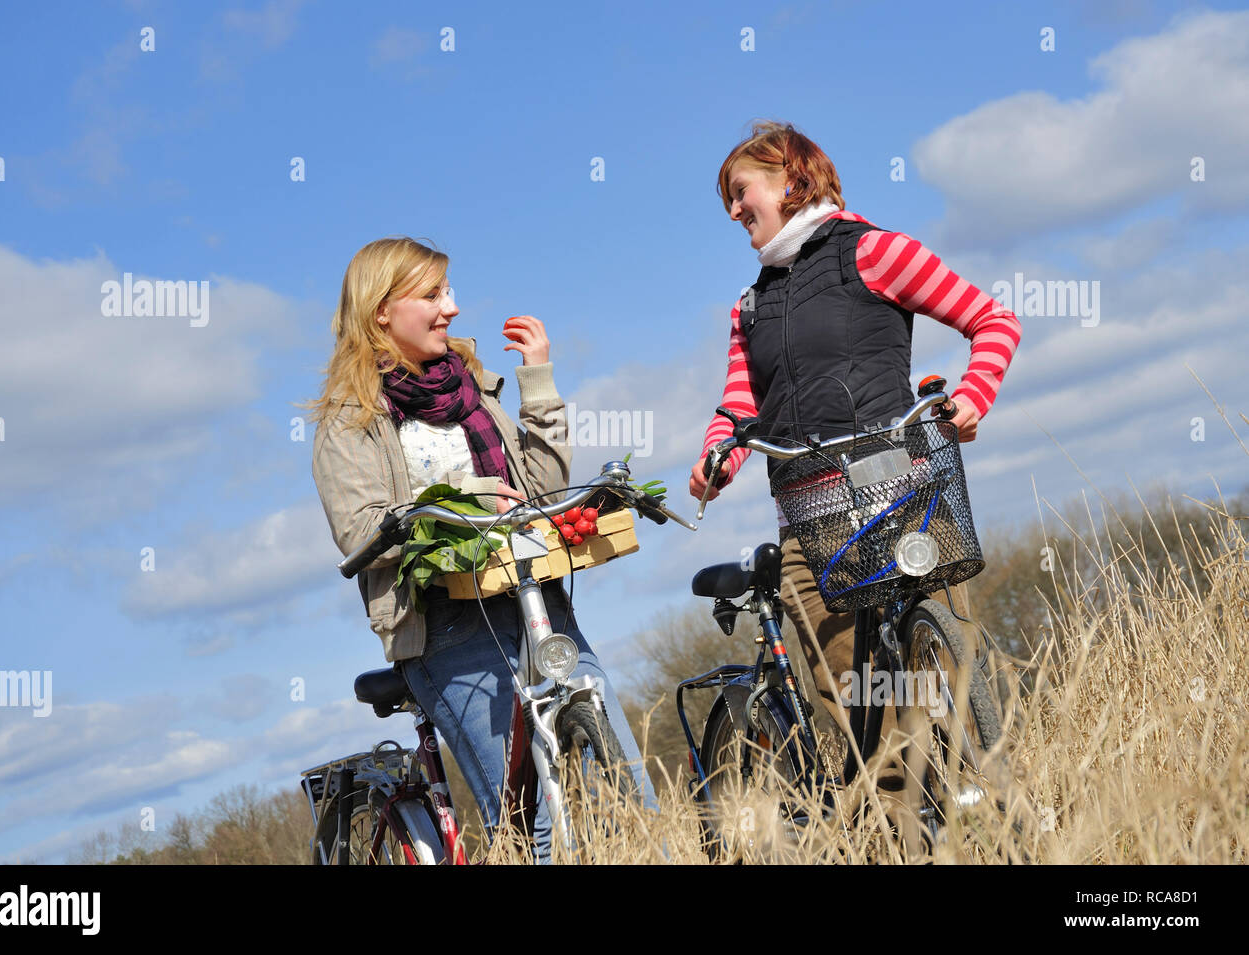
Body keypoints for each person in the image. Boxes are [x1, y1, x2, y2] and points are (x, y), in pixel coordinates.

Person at [688, 121, 1022, 793]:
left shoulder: (877, 252)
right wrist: (716, 456)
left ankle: (981, 821)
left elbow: (992, 320)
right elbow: (737, 407)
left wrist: (972, 398)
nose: (731, 211)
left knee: (941, 696)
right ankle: (896, 833)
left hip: (902, 499)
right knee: (862, 712)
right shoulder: (748, 308)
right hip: (811, 529)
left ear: (791, 178)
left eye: (739, 191)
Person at [309, 237, 653, 861]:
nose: (453, 307)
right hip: (448, 629)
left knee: (630, 790)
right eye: (433, 294)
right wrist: (462, 501)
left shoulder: (472, 388)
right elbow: (361, 529)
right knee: (536, 831)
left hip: (535, 603)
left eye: (449, 291)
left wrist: (539, 382)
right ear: (381, 310)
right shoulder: (349, 418)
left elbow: (540, 490)